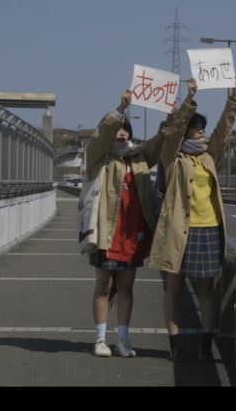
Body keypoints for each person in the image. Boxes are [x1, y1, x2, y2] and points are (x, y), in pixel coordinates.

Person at [83, 89, 188, 357]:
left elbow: (160, 140)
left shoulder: (139, 156)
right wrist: (121, 109)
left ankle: (123, 339)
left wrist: (170, 118)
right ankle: (100, 339)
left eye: (125, 129)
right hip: (106, 232)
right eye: (117, 129)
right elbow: (99, 137)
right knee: (105, 286)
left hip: (132, 234)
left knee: (126, 288)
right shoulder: (98, 157)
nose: (121, 133)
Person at [148, 76, 236, 362]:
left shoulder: (209, 156)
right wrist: (189, 100)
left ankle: (205, 344)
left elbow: (224, 131)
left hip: (209, 229)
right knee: (174, 288)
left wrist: (233, 99)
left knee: (206, 290)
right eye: (196, 128)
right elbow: (172, 133)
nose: (201, 132)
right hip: (179, 230)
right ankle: (174, 344)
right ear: (186, 131)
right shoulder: (172, 158)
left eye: (202, 128)